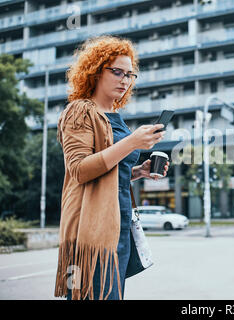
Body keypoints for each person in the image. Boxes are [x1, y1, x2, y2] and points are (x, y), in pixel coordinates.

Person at [54, 35, 169, 300]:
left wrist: (138, 171)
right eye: (117, 72)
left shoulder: (116, 118)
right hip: (91, 232)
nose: (125, 80)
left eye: (130, 75)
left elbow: (109, 173)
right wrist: (132, 142)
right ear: (95, 72)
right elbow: (80, 170)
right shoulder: (80, 111)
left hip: (119, 226)